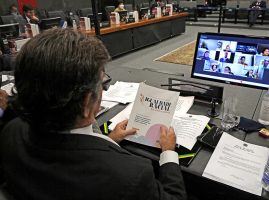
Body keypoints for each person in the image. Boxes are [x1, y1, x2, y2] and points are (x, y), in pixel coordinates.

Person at [0, 28, 186, 200]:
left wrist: (109, 141)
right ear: (87, 102)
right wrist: (169, 153)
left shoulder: (11, 132)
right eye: (102, 81)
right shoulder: (130, 175)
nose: (103, 88)